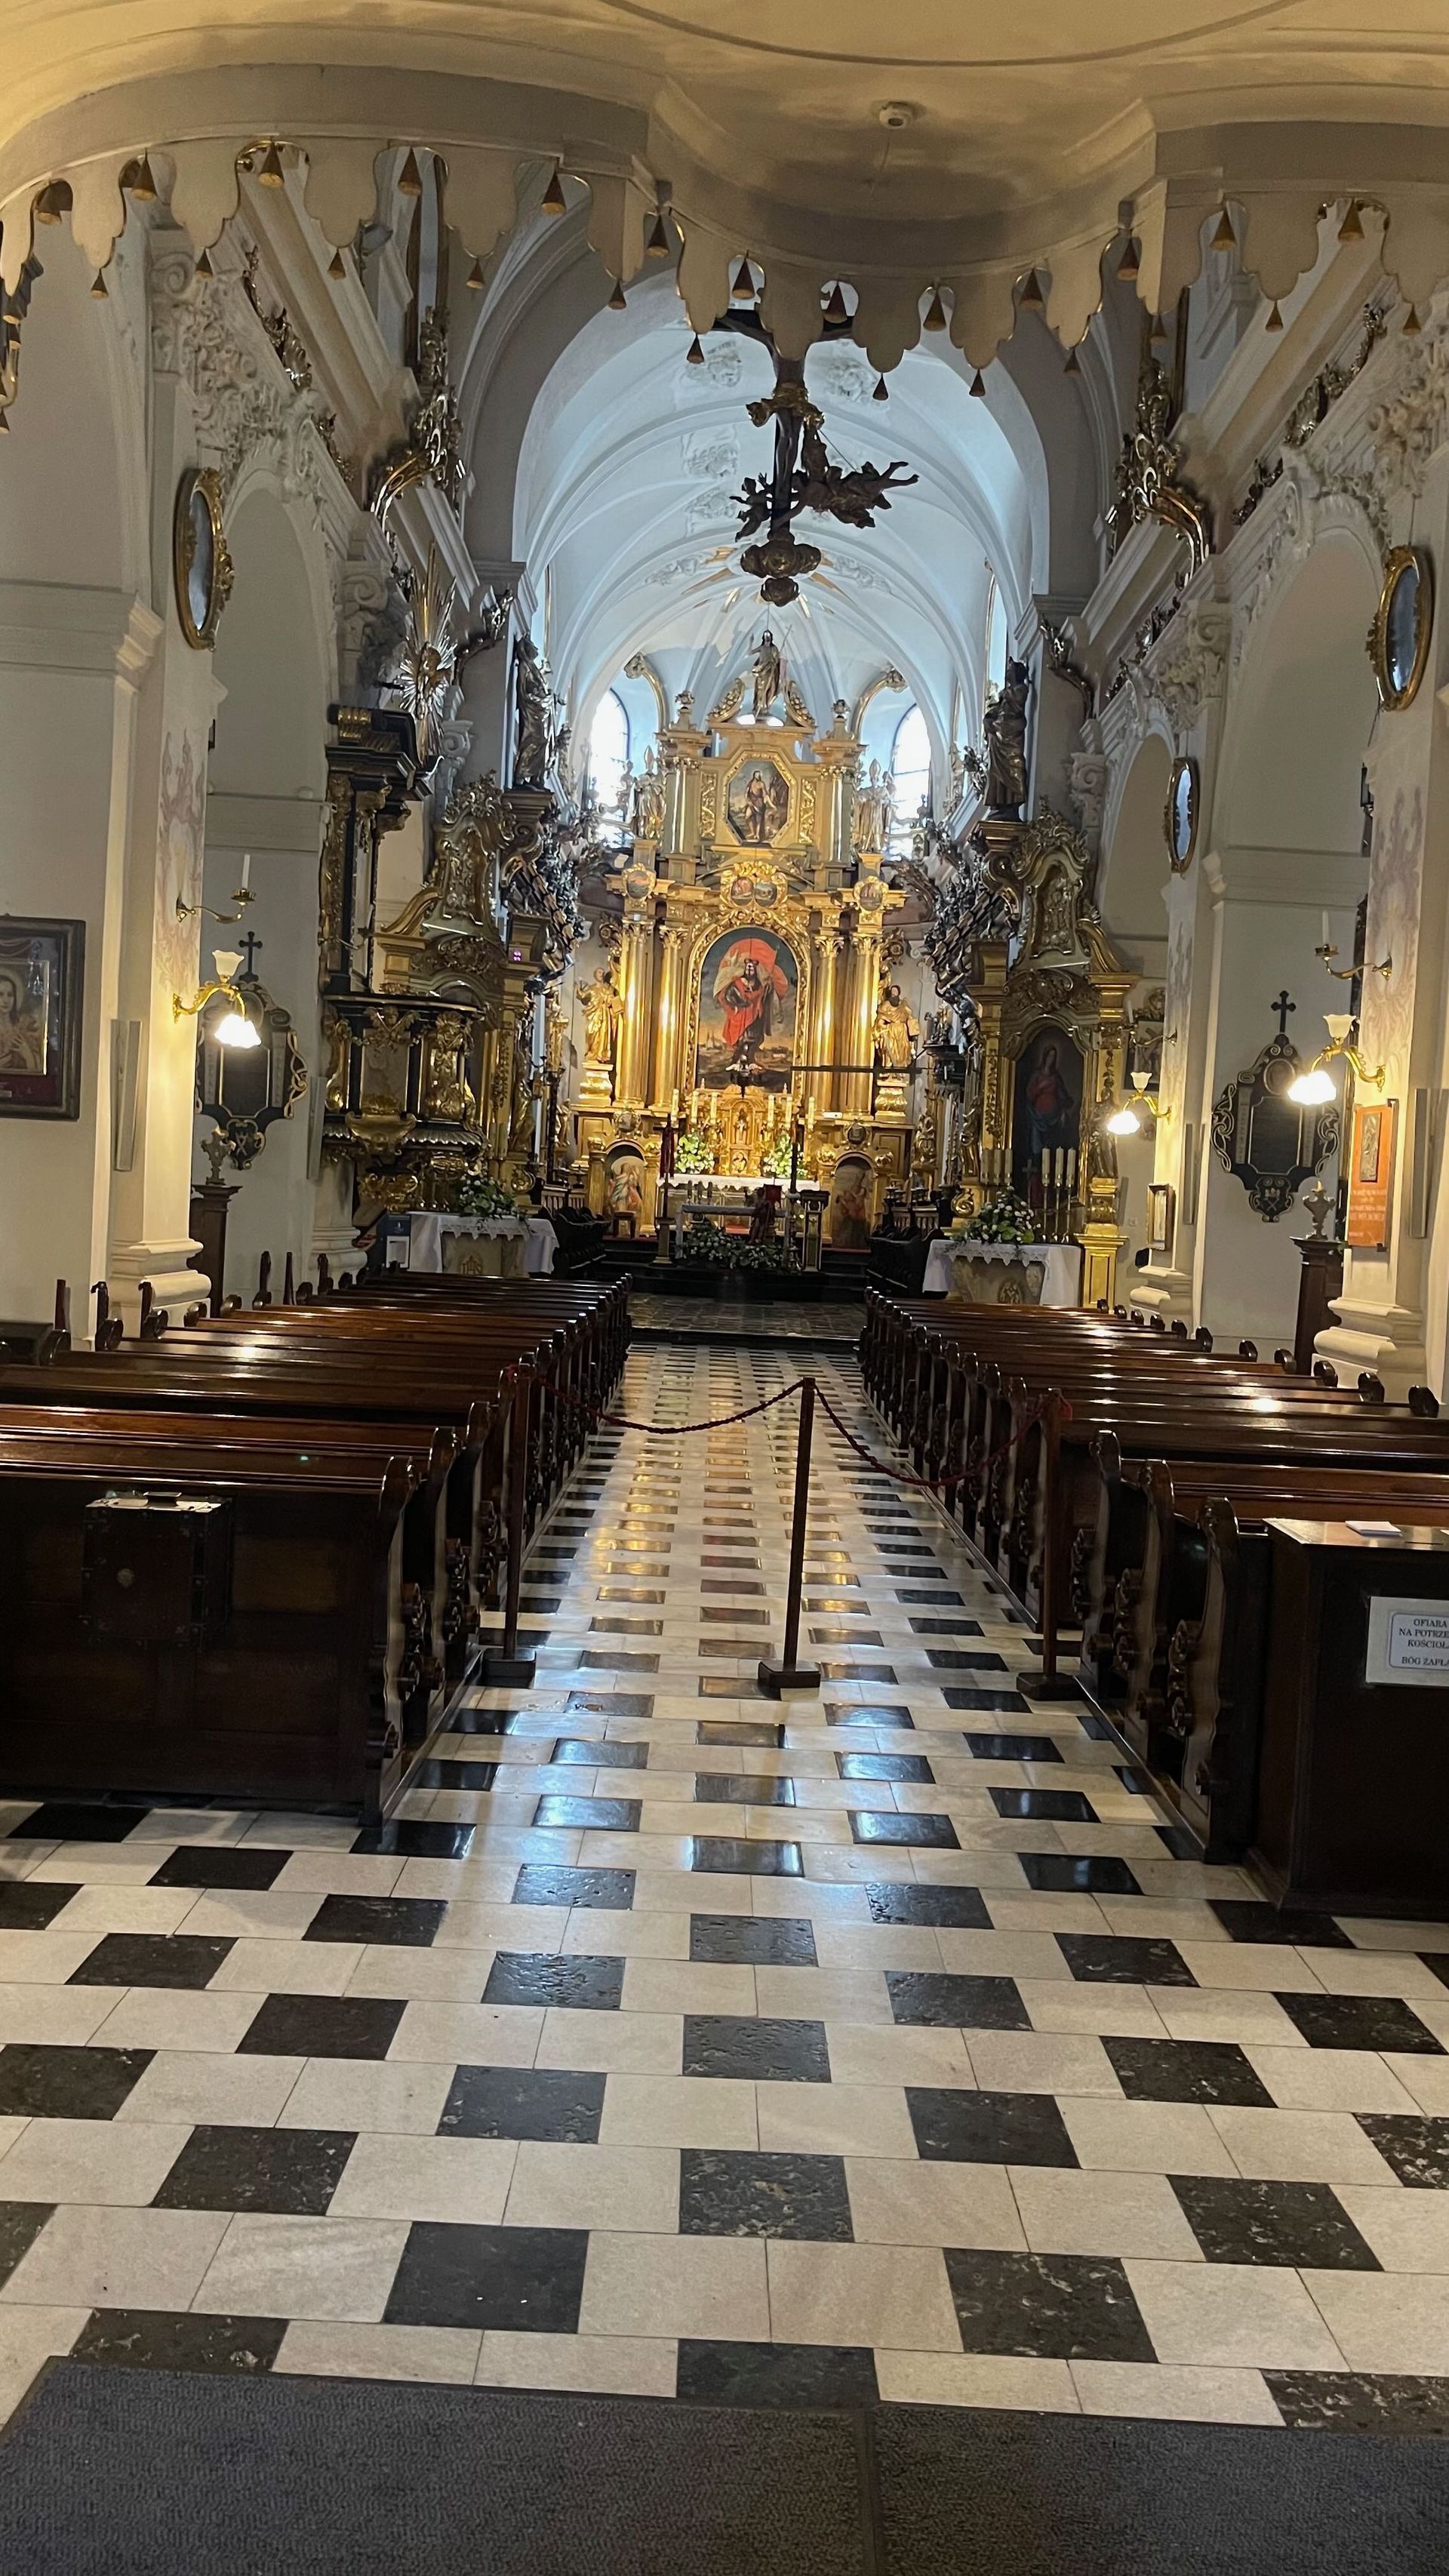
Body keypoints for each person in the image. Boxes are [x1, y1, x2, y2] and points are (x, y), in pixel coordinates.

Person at [0, 966, 45, 1075]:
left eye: (10, 995)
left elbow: (36, 1070)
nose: (6, 1000)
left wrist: (27, 1053)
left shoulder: (25, 1027)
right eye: (0, 995)